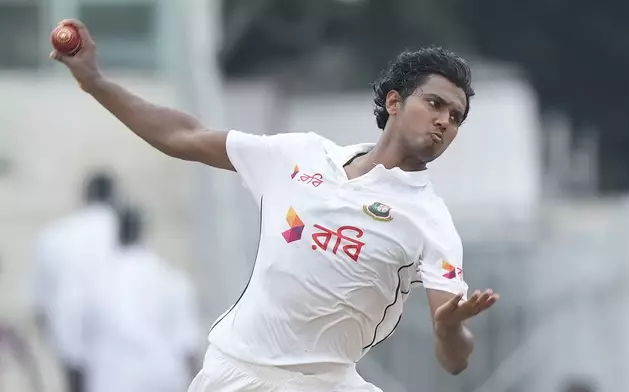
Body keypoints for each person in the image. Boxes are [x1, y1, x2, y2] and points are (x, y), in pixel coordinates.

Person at [51, 19, 499, 392]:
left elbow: (455, 359)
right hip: (238, 373)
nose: (444, 121)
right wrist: (95, 82)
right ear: (395, 102)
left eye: (456, 117)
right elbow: (181, 136)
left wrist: (448, 330)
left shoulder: (430, 219)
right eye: (435, 103)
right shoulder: (301, 154)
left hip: (327, 383)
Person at [82, 207, 201, 392]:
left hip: (111, 381)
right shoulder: (172, 279)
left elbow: (79, 342)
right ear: (144, 233)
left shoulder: (95, 281)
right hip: (162, 380)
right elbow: (187, 344)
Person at [31, 171, 118, 392]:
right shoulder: (119, 232)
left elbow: (39, 301)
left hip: (67, 332)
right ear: (114, 196)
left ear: (84, 196)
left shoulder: (54, 234)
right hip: (113, 336)